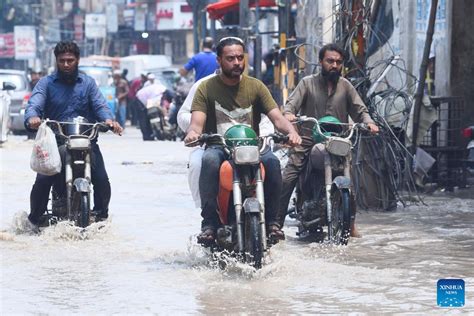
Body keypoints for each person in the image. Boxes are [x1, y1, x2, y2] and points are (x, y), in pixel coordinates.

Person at [184, 37, 301, 244]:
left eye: (240, 57)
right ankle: (209, 224)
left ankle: (273, 223)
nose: (237, 62)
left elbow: (277, 118)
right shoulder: (206, 88)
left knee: (273, 163)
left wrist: (291, 132)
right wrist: (193, 133)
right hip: (219, 146)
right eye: (230, 58)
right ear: (219, 60)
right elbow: (196, 123)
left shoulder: (256, 86)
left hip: (252, 146)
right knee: (208, 161)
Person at [277, 43, 379, 237]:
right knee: (288, 177)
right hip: (307, 140)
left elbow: (360, 110)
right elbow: (290, 106)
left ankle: (351, 223)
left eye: (338, 62)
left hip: (337, 141)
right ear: (321, 62)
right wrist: (289, 114)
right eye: (330, 61)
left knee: (351, 177)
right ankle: (275, 224)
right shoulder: (307, 83)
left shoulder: (346, 86)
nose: (334, 65)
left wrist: (369, 122)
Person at [24, 40, 123, 233]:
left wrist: (109, 121)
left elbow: (100, 105)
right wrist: (33, 118)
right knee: (43, 180)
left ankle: (101, 216)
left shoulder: (88, 83)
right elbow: (34, 104)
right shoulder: (46, 83)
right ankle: (34, 220)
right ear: (56, 61)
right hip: (57, 142)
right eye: (62, 60)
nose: (66, 64)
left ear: (77, 60)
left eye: (70, 60)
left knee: (102, 179)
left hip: (87, 141)